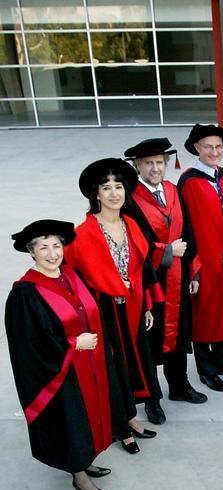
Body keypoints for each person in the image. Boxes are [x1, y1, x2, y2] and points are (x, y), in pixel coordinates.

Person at [5, 220, 129, 490]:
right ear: (31, 252)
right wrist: (73, 344)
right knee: (71, 422)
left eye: (57, 246)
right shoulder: (25, 293)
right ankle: (78, 475)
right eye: (43, 247)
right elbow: (30, 345)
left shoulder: (72, 275)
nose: (52, 253)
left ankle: (86, 460)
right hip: (60, 374)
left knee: (88, 419)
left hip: (89, 365)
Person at [65, 157, 162, 455]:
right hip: (102, 310)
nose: (113, 193)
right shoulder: (82, 234)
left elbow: (140, 270)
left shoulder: (130, 224)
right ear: (96, 193)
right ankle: (120, 427)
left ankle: (131, 417)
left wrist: (145, 303)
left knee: (133, 364)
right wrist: (119, 287)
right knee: (112, 368)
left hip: (130, 308)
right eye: (106, 188)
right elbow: (82, 278)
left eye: (118, 186)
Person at [124, 136, 207, 422]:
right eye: (149, 163)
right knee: (150, 339)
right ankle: (152, 400)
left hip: (179, 278)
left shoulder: (173, 191)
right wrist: (167, 251)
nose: (155, 168)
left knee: (180, 333)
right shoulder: (130, 199)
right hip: (151, 282)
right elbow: (134, 242)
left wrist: (193, 270)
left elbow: (190, 231)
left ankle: (179, 385)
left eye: (160, 162)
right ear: (138, 166)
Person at [177, 123, 223, 393]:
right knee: (205, 315)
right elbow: (190, 226)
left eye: (219, 146)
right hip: (205, 262)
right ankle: (206, 370)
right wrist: (218, 254)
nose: (214, 151)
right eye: (208, 146)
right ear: (197, 148)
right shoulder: (188, 182)